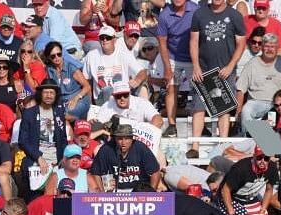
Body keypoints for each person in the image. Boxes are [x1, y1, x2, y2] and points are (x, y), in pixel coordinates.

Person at [187, 0, 245, 158]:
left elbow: (241, 43)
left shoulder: (235, 15)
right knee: (198, 107)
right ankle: (195, 146)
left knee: (224, 109)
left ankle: (223, 146)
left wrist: (231, 65)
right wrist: (196, 66)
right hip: (204, 69)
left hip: (225, 70)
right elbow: (193, 41)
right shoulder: (199, 14)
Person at [236, 33, 281, 135]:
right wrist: (238, 110)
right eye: (267, 46)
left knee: (275, 116)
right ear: (262, 47)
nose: (269, 49)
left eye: (272, 46)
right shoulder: (252, 63)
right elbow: (240, 89)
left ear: (277, 48)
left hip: (277, 104)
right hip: (256, 102)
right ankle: (252, 139)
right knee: (246, 110)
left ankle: (265, 143)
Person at [19, 79, 67, 201]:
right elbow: (22, 140)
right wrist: (39, 157)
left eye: (52, 92)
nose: (49, 95)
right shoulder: (29, 113)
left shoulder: (59, 113)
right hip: (36, 158)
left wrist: (63, 159)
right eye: (46, 92)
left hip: (57, 158)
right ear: (40, 94)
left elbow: (63, 139)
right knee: (35, 196)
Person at [156, 0, 198, 138]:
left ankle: (202, 125)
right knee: (171, 88)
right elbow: (162, 43)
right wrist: (167, 68)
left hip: (194, 57)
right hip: (173, 56)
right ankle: (172, 125)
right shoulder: (164, 15)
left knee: (199, 91)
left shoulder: (196, 9)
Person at [83, 25, 147, 106]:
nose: (104, 40)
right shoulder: (91, 55)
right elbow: (86, 81)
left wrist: (137, 81)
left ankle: (144, 112)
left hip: (122, 97)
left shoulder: (124, 54)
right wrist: (90, 105)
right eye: (102, 38)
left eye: (108, 38)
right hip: (101, 100)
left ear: (114, 40)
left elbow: (143, 72)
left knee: (143, 86)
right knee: (107, 90)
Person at [89, 124, 160, 192]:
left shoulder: (141, 148)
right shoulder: (106, 149)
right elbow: (96, 172)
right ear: (115, 139)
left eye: (127, 139)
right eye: (120, 139)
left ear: (132, 139)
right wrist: (102, 194)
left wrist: (151, 194)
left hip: (138, 190)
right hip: (114, 190)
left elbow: (155, 171)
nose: (123, 142)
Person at [219, 145, 278, 215]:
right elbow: (225, 190)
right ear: (254, 156)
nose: (263, 161)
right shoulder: (241, 168)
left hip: (251, 200)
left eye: (266, 158)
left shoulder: (272, 168)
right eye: (259, 157)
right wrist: (232, 214)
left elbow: (269, 189)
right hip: (233, 199)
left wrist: (263, 210)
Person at [44, 41, 91, 121]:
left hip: (78, 98)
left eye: (59, 54)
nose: (57, 57)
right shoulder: (49, 70)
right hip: (61, 101)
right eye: (53, 56)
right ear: (49, 57)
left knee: (65, 112)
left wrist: (76, 98)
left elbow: (87, 86)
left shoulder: (71, 68)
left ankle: (77, 122)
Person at [97, 81, 162, 128]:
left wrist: (150, 130)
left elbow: (158, 119)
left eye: (125, 95)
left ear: (129, 94)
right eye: (118, 96)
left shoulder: (141, 103)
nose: (122, 98)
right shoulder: (107, 106)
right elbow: (99, 124)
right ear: (113, 96)